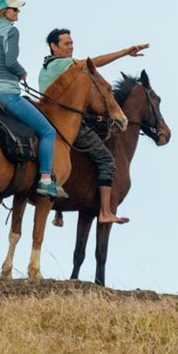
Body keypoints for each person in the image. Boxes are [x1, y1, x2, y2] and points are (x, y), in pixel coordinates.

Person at [39, 28, 149, 224]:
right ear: (53, 47)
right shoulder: (65, 65)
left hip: (45, 119)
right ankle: (105, 211)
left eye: (71, 43)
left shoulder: (44, 68)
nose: (71, 47)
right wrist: (125, 52)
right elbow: (94, 63)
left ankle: (59, 212)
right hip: (65, 123)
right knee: (107, 159)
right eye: (66, 44)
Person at [0, 0, 64, 199]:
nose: (17, 13)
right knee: (48, 131)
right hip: (7, 94)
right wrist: (20, 72)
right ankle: (46, 180)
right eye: (14, 9)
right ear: (3, 12)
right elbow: (11, 61)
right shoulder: (11, 31)